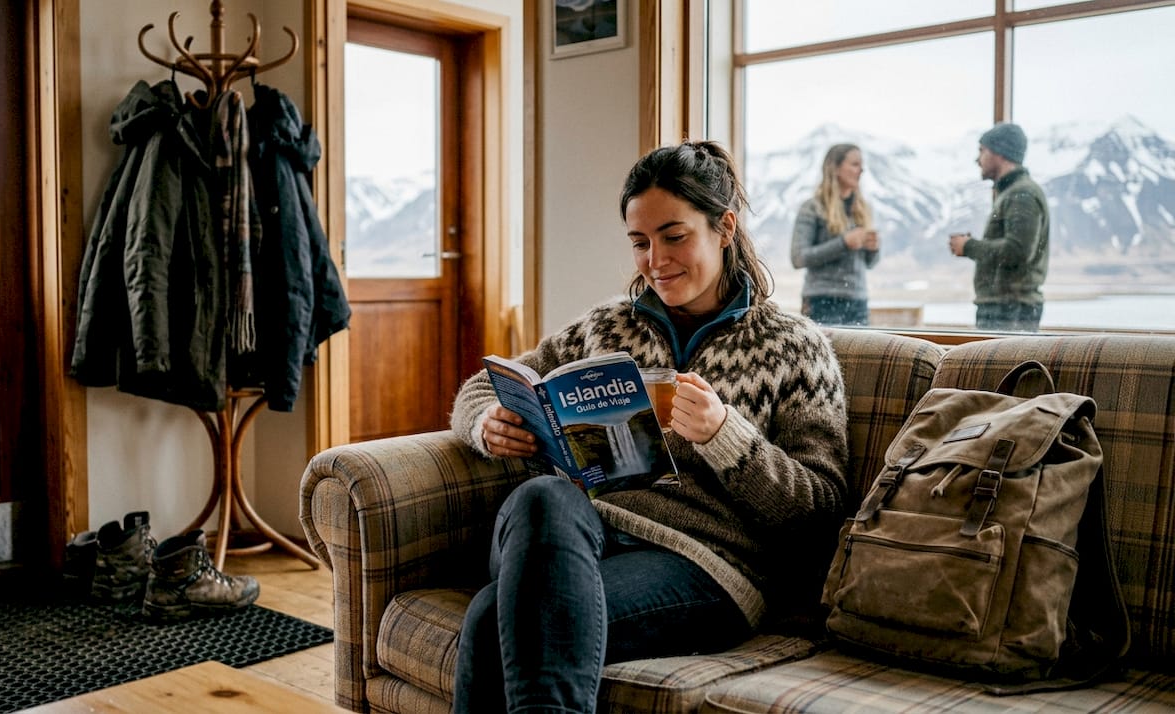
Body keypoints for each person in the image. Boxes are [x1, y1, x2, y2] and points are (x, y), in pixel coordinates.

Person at [447, 140, 850, 713]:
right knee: (541, 494)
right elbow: (490, 381)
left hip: (707, 564)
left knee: (490, 618)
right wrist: (485, 421)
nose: (656, 259)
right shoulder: (607, 326)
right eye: (640, 242)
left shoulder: (795, 348)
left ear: (725, 227)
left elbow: (820, 511)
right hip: (577, 532)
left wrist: (725, 438)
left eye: (674, 236)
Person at [949, 122, 1050, 332]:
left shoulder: (1021, 195)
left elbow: (1018, 251)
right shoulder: (1014, 193)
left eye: (982, 151)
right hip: (1006, 307)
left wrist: (969, 246)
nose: (977, 159)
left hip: (1009, 310)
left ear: (999, 153)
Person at [790, 143, 880, 326]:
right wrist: (844, 243)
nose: (861, 170)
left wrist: (874, 249)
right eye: (855, 164)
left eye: (861, 165)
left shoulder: (863, 209)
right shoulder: (812, 208)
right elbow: (798, 258)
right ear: (836, 168)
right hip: (820, 302)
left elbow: (870, 263)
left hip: (858, 302)